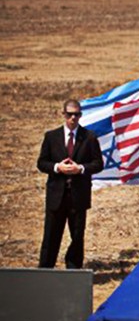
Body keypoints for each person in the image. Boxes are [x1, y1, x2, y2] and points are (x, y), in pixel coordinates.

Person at [37, 99, 103, 269]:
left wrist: (80, 168)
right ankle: (45, 272)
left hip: (78, 196)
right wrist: (57, 167)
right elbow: (42, 163)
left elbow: (98, 164)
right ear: (63, 114)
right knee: (51, 236)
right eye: (69, 114)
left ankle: (73, 273)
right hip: (56, 196)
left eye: (77, 114)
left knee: (77, 237)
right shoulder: (51, 137)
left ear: (80, 115)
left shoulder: (89, 137)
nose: (73, 118)